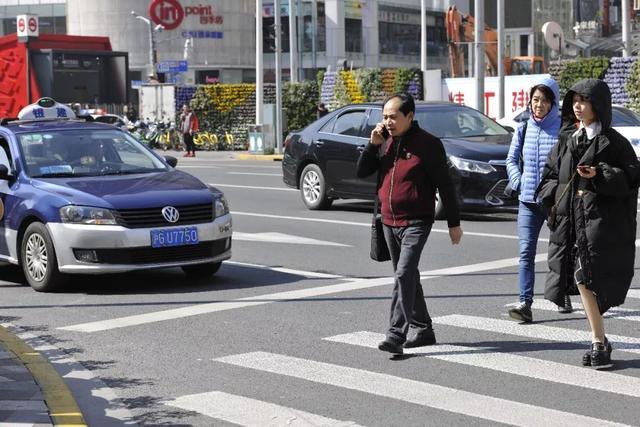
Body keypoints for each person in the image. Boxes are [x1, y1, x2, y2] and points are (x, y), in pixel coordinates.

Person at [537, 79, 639, 366]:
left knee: (592, 281)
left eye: (584, 101)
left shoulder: (614, 142)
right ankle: (599, 341)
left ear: (599, 105)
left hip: (602, 226)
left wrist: (600, 174)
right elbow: (549, 176)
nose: (578, 106)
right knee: (582, 280)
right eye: (575, 101)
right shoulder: (567, 139)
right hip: (571, 224)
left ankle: (599, 340)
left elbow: (631, 178)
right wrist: (554, 197)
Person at [356, 93, 463, 355]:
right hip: (388, 220)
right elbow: (362, 172)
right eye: (385, 117)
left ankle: (395, 334)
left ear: (410, 116)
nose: (388, 122)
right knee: (408, 276)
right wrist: (373, 145)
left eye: (393, 117)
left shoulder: (428, 144)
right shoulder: (385, 141)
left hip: (417, 221)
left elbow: (445, 184)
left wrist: (453, 222)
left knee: (403, 274)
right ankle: (424, 329)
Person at [505, 77, 572, 323]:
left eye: (544, 100)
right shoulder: (523, 128)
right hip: (527, 201)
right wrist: (519, 182)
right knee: (526, 253)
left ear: (553, 103)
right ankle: (525, 303)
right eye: (535, 100)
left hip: (555, 201)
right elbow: (511, 160)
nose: (538, 105)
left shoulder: (564, 130)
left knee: (561, 252)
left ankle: (562, 292)